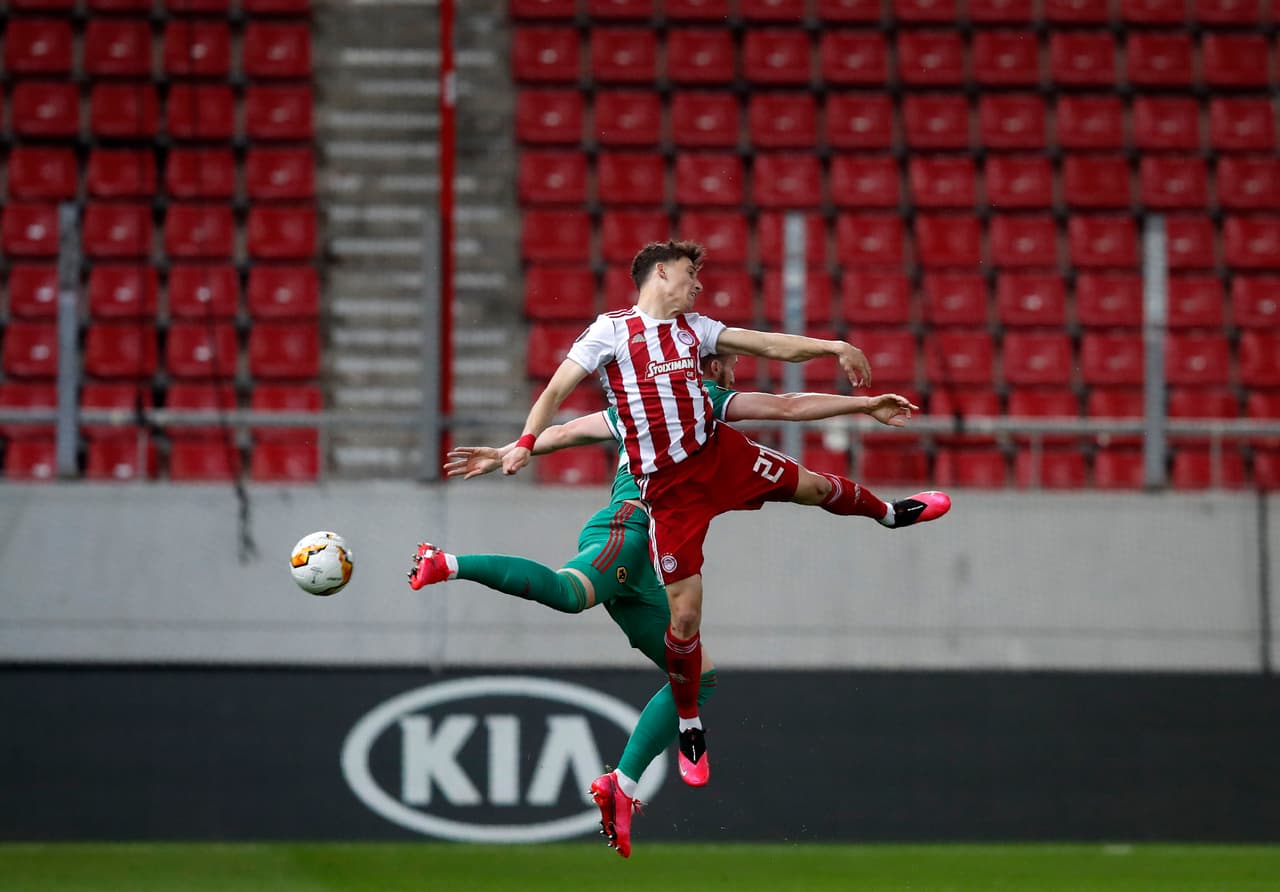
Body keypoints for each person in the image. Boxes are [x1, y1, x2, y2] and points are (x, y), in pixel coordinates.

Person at [408, 352, 950, 857]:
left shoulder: (706, 440)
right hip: (630, 531)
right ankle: (447, 562)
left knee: (697, 677)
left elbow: (572, 430)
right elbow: (785, 407)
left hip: (655, 560)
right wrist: (512, 450)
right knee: (570, 593)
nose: (733, 377)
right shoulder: (694, 400)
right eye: (729, 367)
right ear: (707, 369)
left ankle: (620, 784)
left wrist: (883, 509)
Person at [497, 239, 941, 789]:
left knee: (808, 485)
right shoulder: (609, 334)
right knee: (684, 619)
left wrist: (834, 348)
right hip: (670, 495)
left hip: (718, 458)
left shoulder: (699, 335)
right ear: (660, 272)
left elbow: (773, 353)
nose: (697, 284)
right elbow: (558, 391)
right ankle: (688, 722)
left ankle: (889, 514)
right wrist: (520, 442)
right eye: (689, 273)